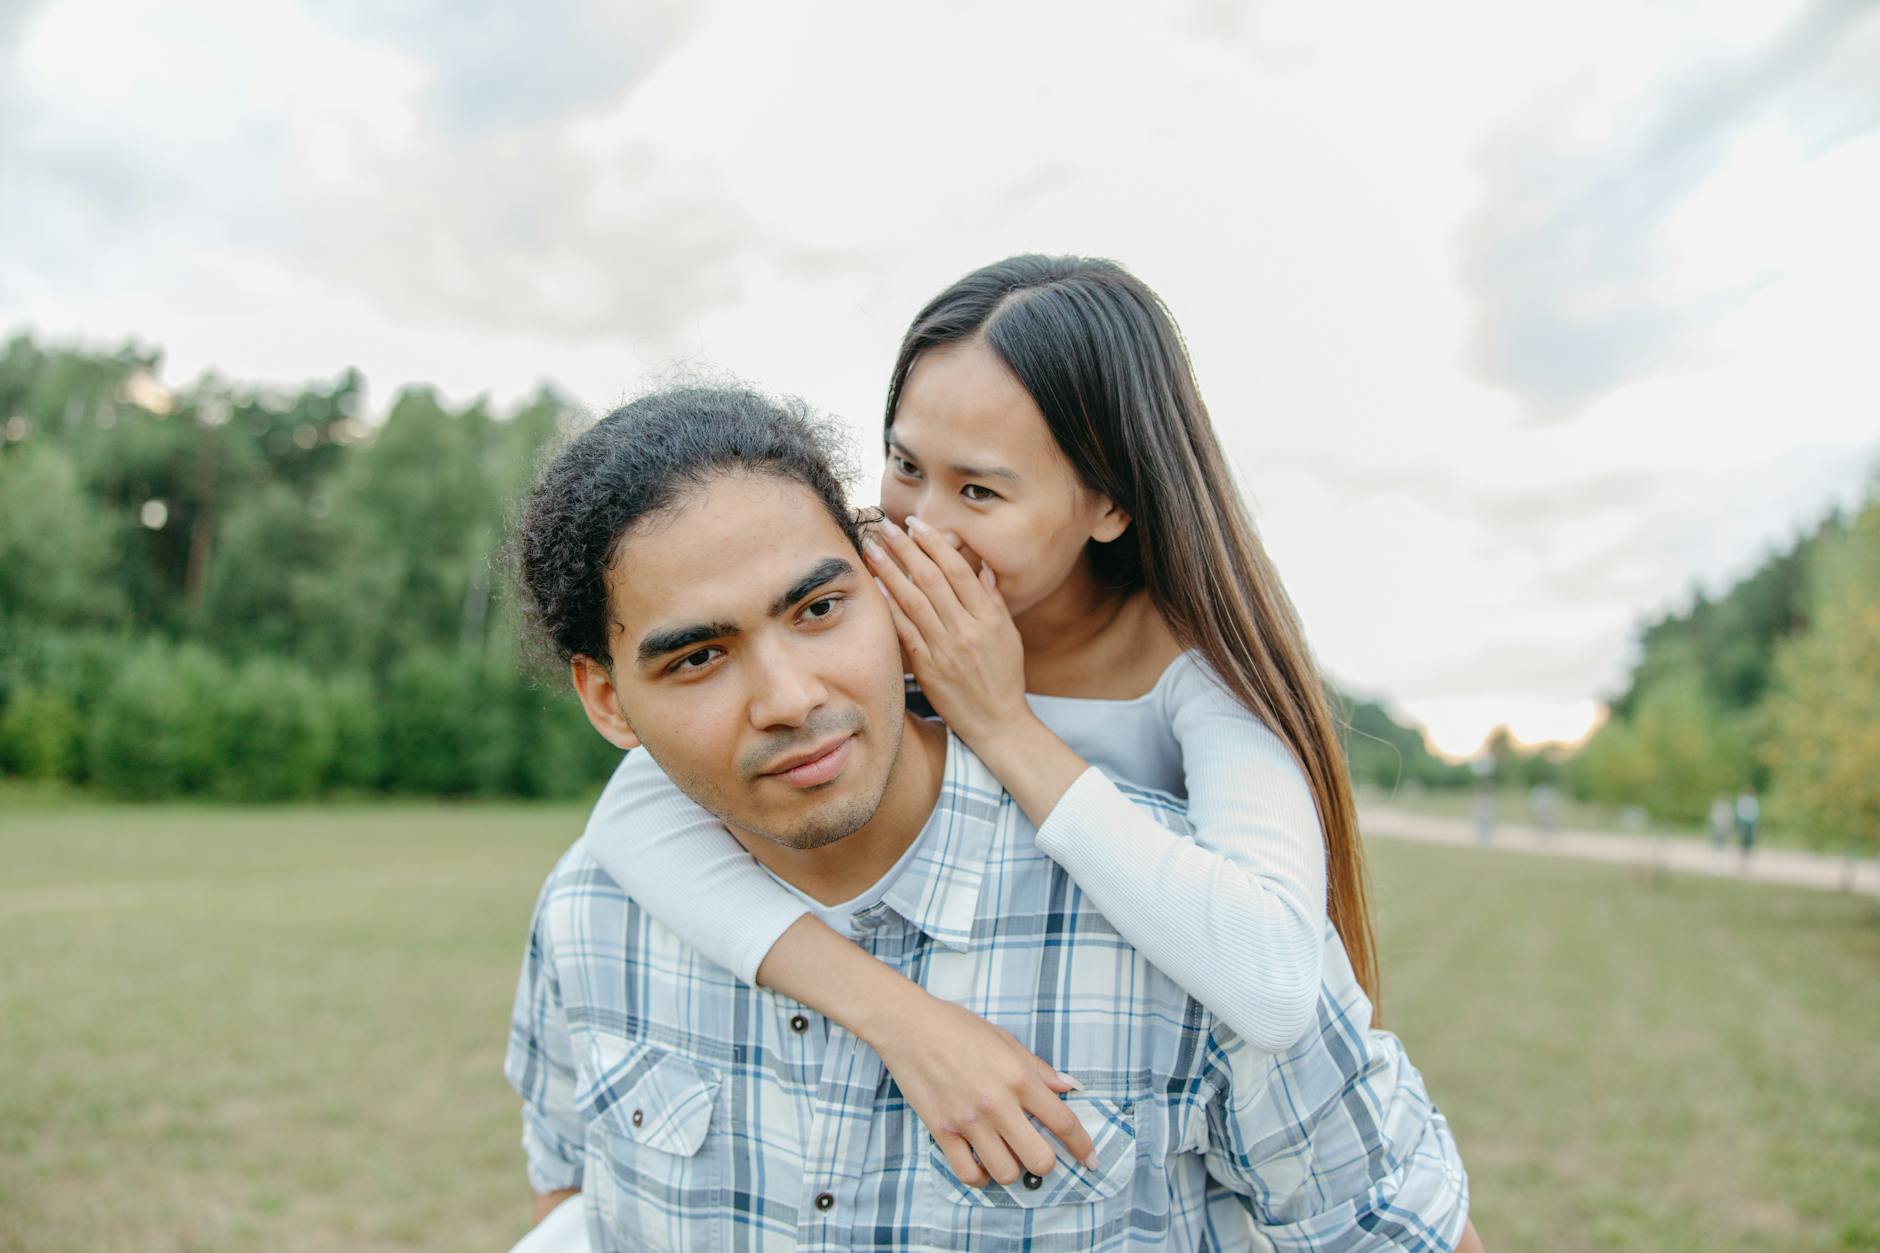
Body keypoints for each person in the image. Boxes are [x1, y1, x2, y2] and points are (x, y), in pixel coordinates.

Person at [504, 384, 1480, 1250]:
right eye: (698, 658)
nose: (789, 696)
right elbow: (571, 1189)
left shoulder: (1191, 924)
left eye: (816, 609)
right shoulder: (592, 907)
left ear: (886, 584)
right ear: (606, 701)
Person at [580, 255, 1392, 1185]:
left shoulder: (1198, 678)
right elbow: (633, 814)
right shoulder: (873, 611)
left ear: (1109, 502)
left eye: (979, 491)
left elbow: (1277, 983)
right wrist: (897, 1016)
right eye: (905, 466)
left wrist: (1001, 723)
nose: (920, 527)